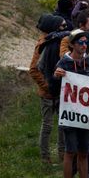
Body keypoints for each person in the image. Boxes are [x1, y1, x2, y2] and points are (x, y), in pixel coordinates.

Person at [52, 29, 89, 178]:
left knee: (84, 152)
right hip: (70, 115)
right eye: (80, 43)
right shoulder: (63, 63)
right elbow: (54, 89)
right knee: (70, 151)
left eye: (86, 43)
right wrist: (57, 77)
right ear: (72, 44)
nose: (84, 46)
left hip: (88, 115)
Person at [29, 14, 70, 164]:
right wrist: (47, 86)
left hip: (61, 91)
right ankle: (45, 158)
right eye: (63, 26)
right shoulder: (43, 44)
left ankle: (62, 157)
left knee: (62, 125)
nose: (66, 29)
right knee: (47, 126)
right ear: (54, 27)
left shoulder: (63, 42)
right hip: (48, 93)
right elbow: (33, 70)